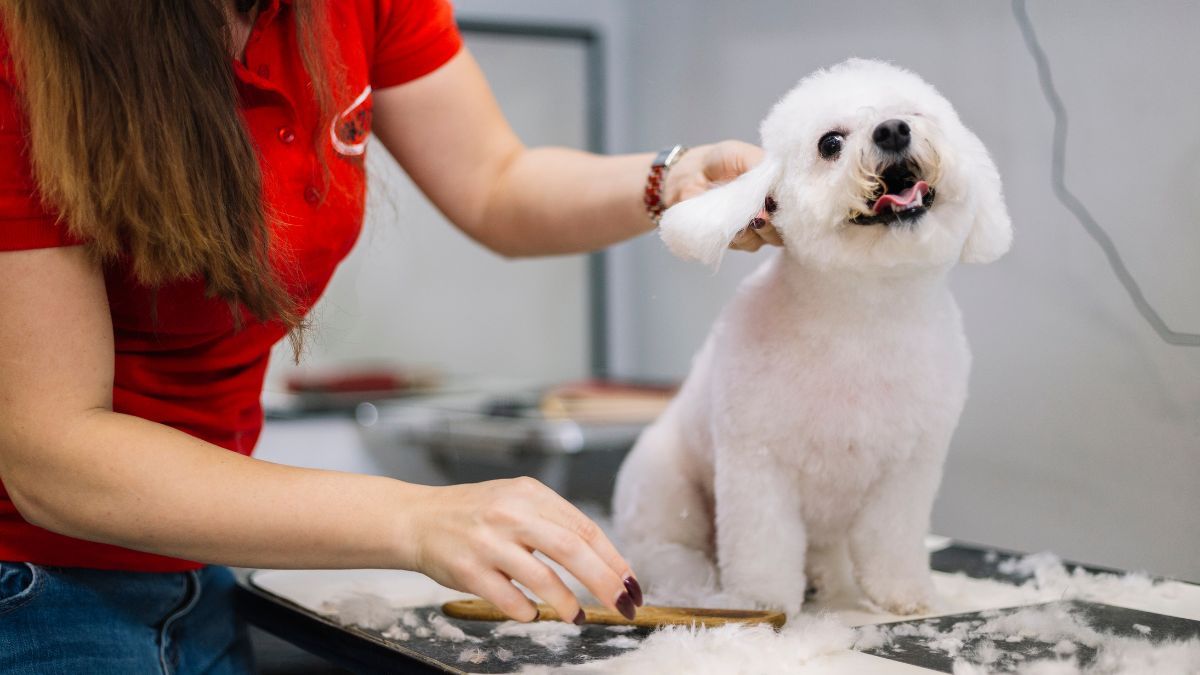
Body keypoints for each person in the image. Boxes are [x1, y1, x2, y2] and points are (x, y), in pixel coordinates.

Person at [0, 1, 778, 671]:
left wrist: (671, 180)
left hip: (201, 566)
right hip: (32, 582)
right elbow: (53, 452)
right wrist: (416, 519)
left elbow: (494, 181)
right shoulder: (24, 44)